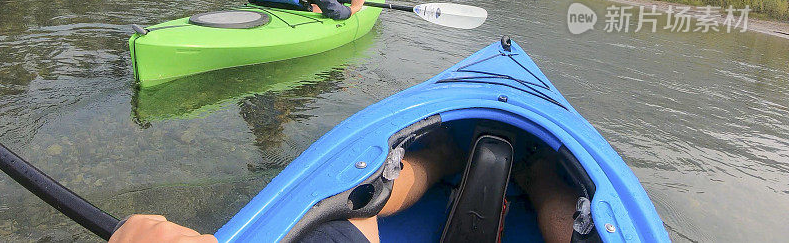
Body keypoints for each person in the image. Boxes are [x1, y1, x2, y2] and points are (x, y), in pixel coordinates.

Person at [110, 138, 578, 243]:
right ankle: (539, 181)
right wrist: (351, 8)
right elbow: (331, 11)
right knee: (355, 206)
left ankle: (444, 158)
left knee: (357, 196)